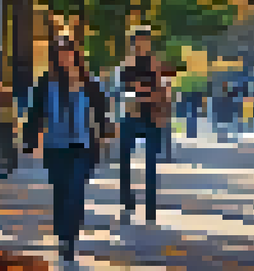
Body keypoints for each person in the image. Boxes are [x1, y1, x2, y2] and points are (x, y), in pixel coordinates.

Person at [23, 36, 110, 264]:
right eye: (60, 54)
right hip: (55, 148)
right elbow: (35, 113)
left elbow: (101, 112)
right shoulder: (46, 82)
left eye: (68, 52)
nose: (65, 57)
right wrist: (29, 140)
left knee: (75, 190)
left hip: (83, 148)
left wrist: (104, 133)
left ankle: (70, 238)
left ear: (76, 55)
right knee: (61, 191)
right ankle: (62, 236)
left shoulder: (89, 83)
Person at [115, 27, 169, 224]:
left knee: (151, 163)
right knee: (124, 159)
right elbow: (124, 88)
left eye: (144, 42)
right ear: (132, 44)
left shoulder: (155, 64)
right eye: (137, 42)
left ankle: (151, 206)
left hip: (151, 117)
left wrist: (140, 89)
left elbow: (160, 88)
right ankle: (127, 199)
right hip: (131, 116)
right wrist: (141, 88)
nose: (141, 46)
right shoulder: (126, 65)